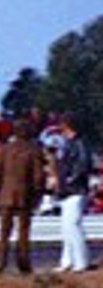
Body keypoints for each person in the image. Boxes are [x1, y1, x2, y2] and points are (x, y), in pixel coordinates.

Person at [0, 119, 43, 274]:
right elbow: (38, 177)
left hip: (6, 193)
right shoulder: (33, 150)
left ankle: (0, 263)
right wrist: (37, 194)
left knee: (4, 231)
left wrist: (1, 189)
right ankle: (23, 263)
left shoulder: (4, 149)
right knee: (23, 231)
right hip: (25, 194)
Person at [54, 115, 92, 272]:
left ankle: (81, 261)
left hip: (75, 189)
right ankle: (67, 260)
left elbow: (83, 165)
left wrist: (69, 180)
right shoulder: (69, 144)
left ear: (67, 126)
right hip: (67, 190)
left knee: (73, 225)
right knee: (66, 227)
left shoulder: (79, 143)